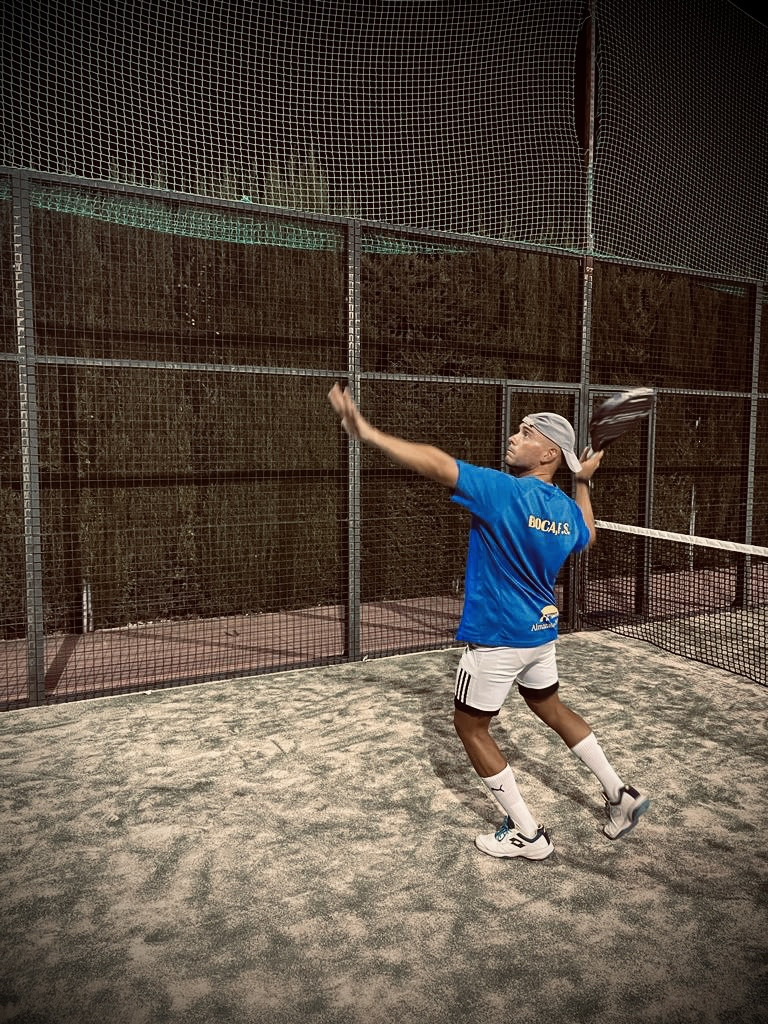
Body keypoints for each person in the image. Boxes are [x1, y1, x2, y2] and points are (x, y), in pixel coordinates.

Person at [328, 383, 649, 861]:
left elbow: (437, 463)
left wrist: (368, 433)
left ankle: (527, 834)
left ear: (550, 454)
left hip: (497, 638)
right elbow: (588, 535)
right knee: (550, 707)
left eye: (527, 433)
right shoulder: (565, 509)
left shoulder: (503, 492)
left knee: (471, 728)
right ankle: (620, 794)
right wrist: (583, 482)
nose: (515, 437)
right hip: (540, 635)